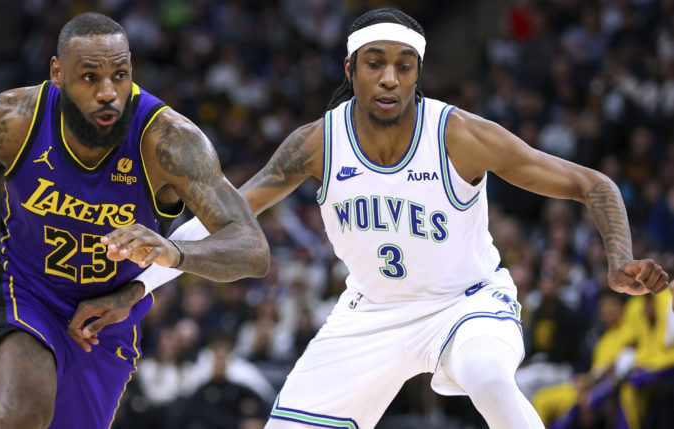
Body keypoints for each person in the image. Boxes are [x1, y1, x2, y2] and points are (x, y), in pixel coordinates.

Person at [126, 7, 671, 429]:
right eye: (375, 63)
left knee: (489, 378)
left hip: (468, 303)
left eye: (403, 66)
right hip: (370, 313)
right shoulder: (317, 143)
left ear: (417, 74)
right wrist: (137, 284)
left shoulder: (458, 135)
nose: (389, 77)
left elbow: (591, 182)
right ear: (351, 69)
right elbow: (227, 217)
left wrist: (618, 258)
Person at [0, 12, 269, 429]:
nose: (108, 93)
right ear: (57, 73)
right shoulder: (13, 119)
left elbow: (252, 249)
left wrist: (173, 252)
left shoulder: (170, 141)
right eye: (90, 77)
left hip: (105, 321)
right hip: (21, 292)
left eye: (120, 75)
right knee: (21, 414)